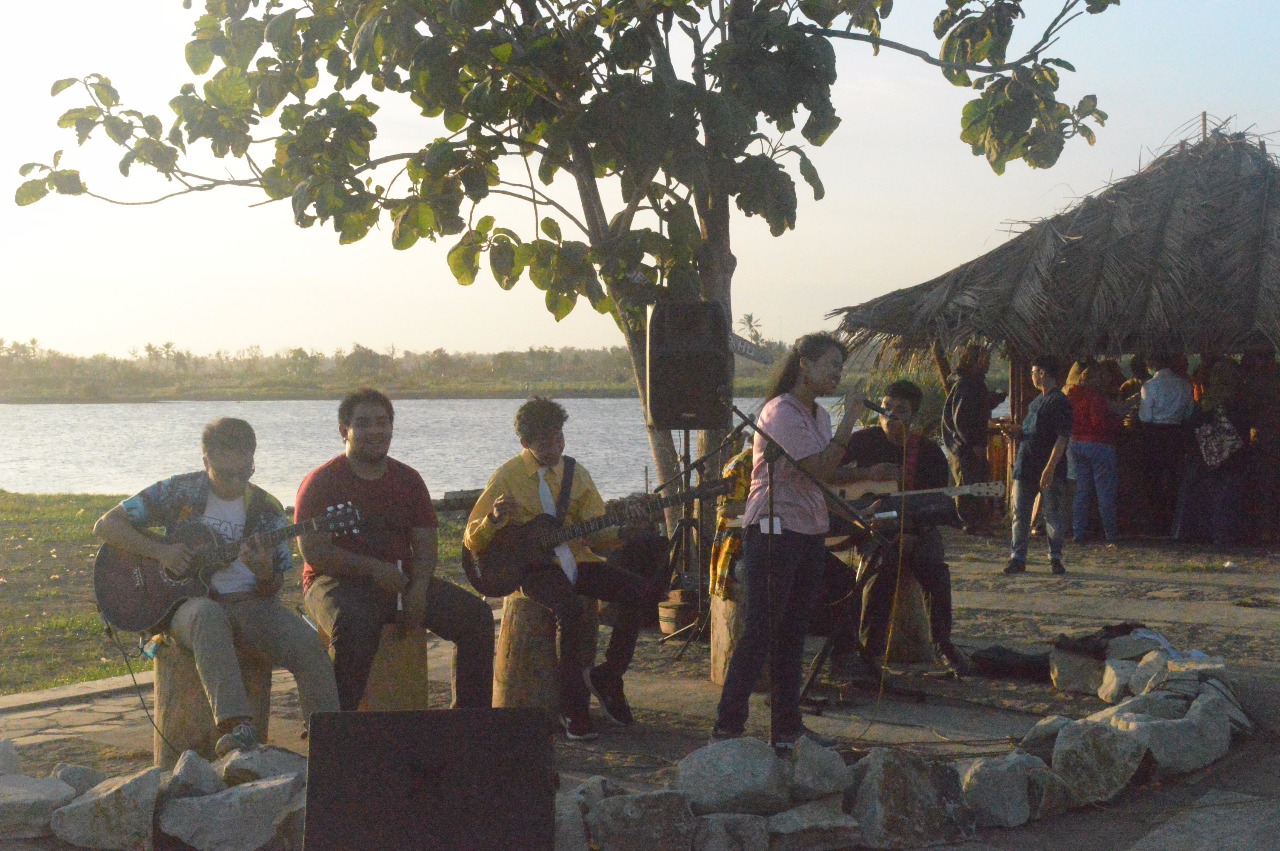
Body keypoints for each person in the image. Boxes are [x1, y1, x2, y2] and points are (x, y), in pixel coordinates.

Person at [93, 418, 338, 756]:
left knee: (308, 644)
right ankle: (237, 726)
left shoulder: (267, 510)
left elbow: (273, 586)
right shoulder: (179, 491)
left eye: (245, 473)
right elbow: (106, 525)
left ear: (252, 462)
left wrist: (264, 572)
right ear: (206, 461)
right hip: (184, 607)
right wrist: (162, 551)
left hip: (248, 603)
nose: (236, 482)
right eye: (226, 474)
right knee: (208, 616)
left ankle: (329, 744)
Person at [711, 332, 897, 746]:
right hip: (774, 530)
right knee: (760, 629)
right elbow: (817, 468)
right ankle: (728, 724)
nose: (837, 374)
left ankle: (786, 728)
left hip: (809, 529)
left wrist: (865, 487)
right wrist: (851, 419)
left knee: (793, 632)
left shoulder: (819, 418)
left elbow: (824, 479)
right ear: (804, 366)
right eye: (831, 364)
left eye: (841, 367)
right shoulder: (781, 412)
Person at [464, 397, 666, 741]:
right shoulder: (507, 476)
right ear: (525, 442)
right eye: (544, 441)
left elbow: (596, 536)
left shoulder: (576, 473)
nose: (554, 447)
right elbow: (471, 540)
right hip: (532, 571)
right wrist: (494, 520)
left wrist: (624, 530)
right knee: (571, 611)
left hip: (577, 561)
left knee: (640, 592)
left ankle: (609, 675)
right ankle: (572, 707)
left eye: (559, 438)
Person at [298, 389, 494, 712]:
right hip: (331, 582)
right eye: (363, 423)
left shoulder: (409, 480)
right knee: (355, 625)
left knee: (476, 618)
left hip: (401, 580)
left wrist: (418, 589)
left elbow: (427, 545)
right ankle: (335, 725)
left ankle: (470, 722)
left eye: (382, 422)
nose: (375, 431)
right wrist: (373, 568)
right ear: (343, 430)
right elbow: (314, 552)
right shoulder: (320, 483)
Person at [844, 380, 969, 675]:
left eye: (900, 410)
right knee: (883, 564)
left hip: (916, 528)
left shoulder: (927, 453)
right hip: (870, 527)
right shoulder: (862, 441)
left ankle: (943, 644)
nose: (890, 415)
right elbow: (825, 473)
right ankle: (869, 654)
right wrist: (867, 473)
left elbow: (933, 505)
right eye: (885, 407)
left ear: (913, 416)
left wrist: (911, 530)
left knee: (934, 567)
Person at [1003, 356, 1073, 575]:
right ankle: (1018, 557)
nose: (1031, 376)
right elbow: (1033, 432)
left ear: (1042, 373)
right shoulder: (1035, 402)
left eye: (1033, 372)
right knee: (1020, 514)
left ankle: (1055, 557)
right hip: (1026, 464)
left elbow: (1062, 437)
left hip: (1047, 467)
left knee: (1052, 514)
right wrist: (1016, 432)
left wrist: (1050, 468)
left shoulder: (1059, 402)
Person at [940, 344, 1006, 533]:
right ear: (975, 360)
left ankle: (974, 520)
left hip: (962, 444)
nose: (988, 363)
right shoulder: (969, 383)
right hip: (964, 446)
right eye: (985, 359)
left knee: (974, 480)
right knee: (970, 482)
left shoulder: (970, 383)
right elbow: (963, 419)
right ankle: (970, 522)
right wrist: (974, 443)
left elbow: (976, 407)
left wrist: (995, 399)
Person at [1138, 353, 1194, 535]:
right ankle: (1174, 521)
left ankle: (1157, 522)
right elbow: (1188, 414)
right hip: (1177, 434)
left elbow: (1144, 416)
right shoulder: (1184, 385)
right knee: (1174, 478)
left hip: (1154, 435)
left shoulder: (1149, 386)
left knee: (1154, 479)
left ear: (1152, 364)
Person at [1066, 365, 1123, 544]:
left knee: (1082, 491)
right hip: (1099, 444)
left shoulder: (1071, 396)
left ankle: (1078, 532)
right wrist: (1115, 423)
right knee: (1105, 491)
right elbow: (1098, 422)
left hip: (1077, 443)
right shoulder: (1096, 397)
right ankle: (1111, 533)